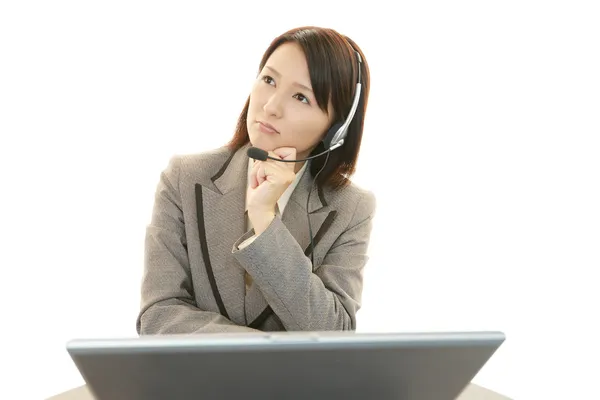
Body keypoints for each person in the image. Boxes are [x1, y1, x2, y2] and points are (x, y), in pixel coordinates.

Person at [136, 26, 376, 335]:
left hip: (295, 386)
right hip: (196, 384)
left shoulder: (351, 207)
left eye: (301, 97)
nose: (270, 106)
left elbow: (334, 332)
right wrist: (268, 349)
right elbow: (158, 315)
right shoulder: (184, 179)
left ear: (336, 129)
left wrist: (265, 221)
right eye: (269, 80)